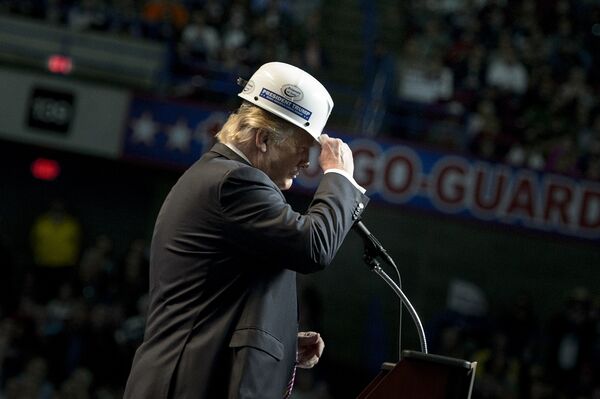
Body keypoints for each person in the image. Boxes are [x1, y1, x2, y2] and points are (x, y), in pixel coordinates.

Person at [124, 62, 368, 399]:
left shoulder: (218, 176)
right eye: (302, 148)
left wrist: (278, 339)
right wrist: (339, 177)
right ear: (263, 138)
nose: (307, 163)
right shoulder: (236, 180)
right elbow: (313, 246)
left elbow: (213, 299)